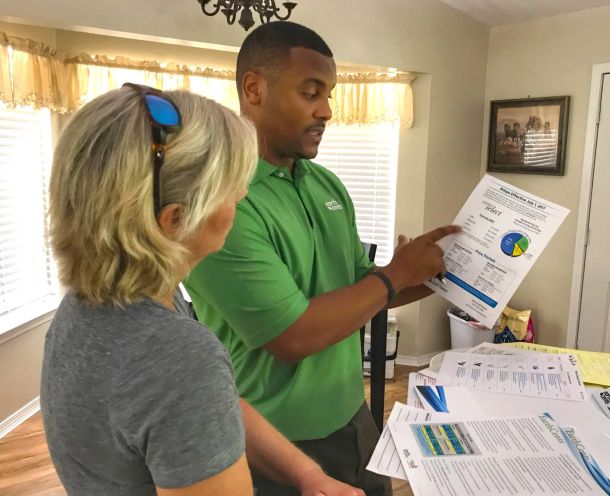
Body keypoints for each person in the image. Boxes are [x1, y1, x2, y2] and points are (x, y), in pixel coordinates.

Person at [41, 84, 365, 496]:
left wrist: (307, 475)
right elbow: (186, 383)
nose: (243, 194)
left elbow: (213, 403)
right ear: (176, 221)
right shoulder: (176, 354)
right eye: (230, 188)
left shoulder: (90, 305)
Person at [184, 21, 459, 496]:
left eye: (329, 95)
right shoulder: (221, 203)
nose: (327, 111)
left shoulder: (325, 183)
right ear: (254, 89)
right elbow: (291, 336)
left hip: (352, 414)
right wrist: (396, 274)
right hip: (274, 440)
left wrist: (452, 273)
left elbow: (361, 286)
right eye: (311, 93)